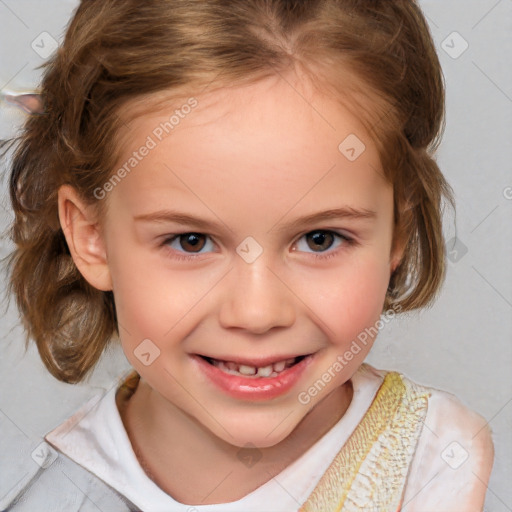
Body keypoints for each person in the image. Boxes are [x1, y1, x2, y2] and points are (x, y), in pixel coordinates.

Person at [0, 0, 494, 510]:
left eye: (320, 239)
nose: (257, 314)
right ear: (91, 236)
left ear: (397, 231)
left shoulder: (435, 460)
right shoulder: (36, 493)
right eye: (191, 241)